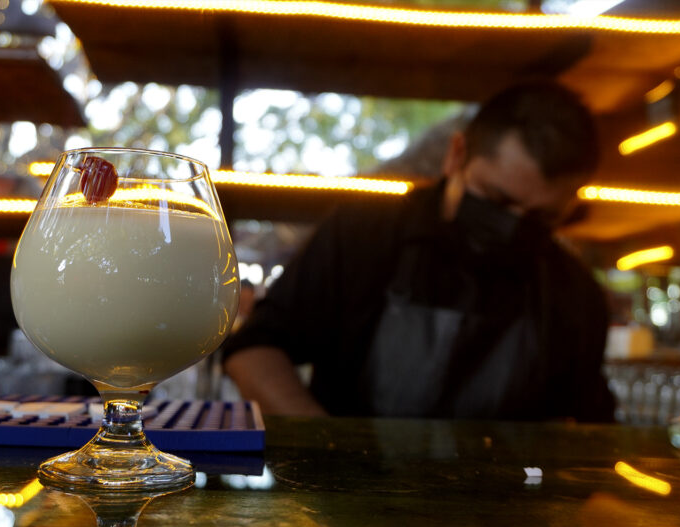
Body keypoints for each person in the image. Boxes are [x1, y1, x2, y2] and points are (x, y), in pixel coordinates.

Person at [222, 81, 615, 421]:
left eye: (541, 217)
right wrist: (330, 451)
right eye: (496, 200)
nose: (511, 227)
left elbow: (591, 424)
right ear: (456, 155)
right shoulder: (363, 234)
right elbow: (254, 351)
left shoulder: (574, 292)